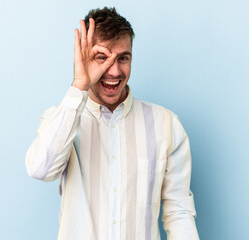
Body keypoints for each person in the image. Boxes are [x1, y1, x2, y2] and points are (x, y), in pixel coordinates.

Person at [25, 7, 199, 240]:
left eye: (123, 58)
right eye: (102, 58)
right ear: (85, 58)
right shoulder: (60, 119)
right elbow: (40, 170)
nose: (114, 71)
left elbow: (179, 212)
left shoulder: (166, 124)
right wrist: (80, 85)